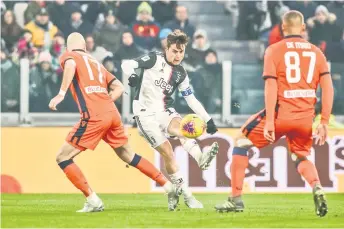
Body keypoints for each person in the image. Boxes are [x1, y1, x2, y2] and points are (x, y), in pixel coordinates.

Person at [215, 10, 334, 217]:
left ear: (281, 28)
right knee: (299, 155)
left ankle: (235, 199)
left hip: (281, 113)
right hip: (306, 117)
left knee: (241, 141)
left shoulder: (274, 50)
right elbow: (329, 88)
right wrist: (323, 121)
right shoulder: (317, 52)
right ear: (303, 28)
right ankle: (317, 186)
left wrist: (270, 121)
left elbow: (271, 87)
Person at [48, 32, 179, 213]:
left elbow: (70, 64)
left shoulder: (70, 56)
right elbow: (119, 87)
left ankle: (93, 200)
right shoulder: (95, 63)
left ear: (68, 47)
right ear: (85, 46)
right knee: (128, 155)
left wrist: (61, 93)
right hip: (112, 113)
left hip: (94, 115)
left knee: (62, 157)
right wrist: (104, 102)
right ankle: (168, 186)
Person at [121, 29, 219, 210]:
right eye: (174, 51)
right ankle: (187, 195)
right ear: (167, 48)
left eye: (181, 52)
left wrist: (208, 119)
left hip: (164, 110)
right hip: (144, 114)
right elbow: (126, 65)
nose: (178, 55)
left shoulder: (181, 73)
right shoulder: (153, 59)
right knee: (168, 152)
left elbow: (190, 98)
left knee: (183, 127)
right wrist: (133, 75)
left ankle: (201, 158)